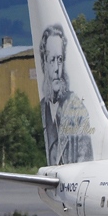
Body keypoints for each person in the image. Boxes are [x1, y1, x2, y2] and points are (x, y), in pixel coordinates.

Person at [40, 23, 93, 164]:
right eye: (52, 60)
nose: (57, 68)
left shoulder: (78, 110)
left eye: (60, 59)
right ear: (44, 62)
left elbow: (86, 160)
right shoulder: (43, 107)